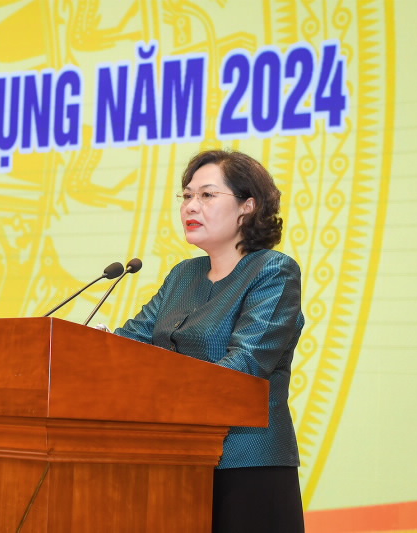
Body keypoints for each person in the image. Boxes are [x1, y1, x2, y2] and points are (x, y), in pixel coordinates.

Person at [113, 149, 305, 532]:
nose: (190, 206)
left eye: (207, 195)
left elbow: (243, 368)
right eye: (186, 196)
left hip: (247, 466)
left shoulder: (272, 271)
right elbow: (131, 343)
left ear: (248, 206)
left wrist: (163, 393)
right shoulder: (183, 275)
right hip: (179, 462)